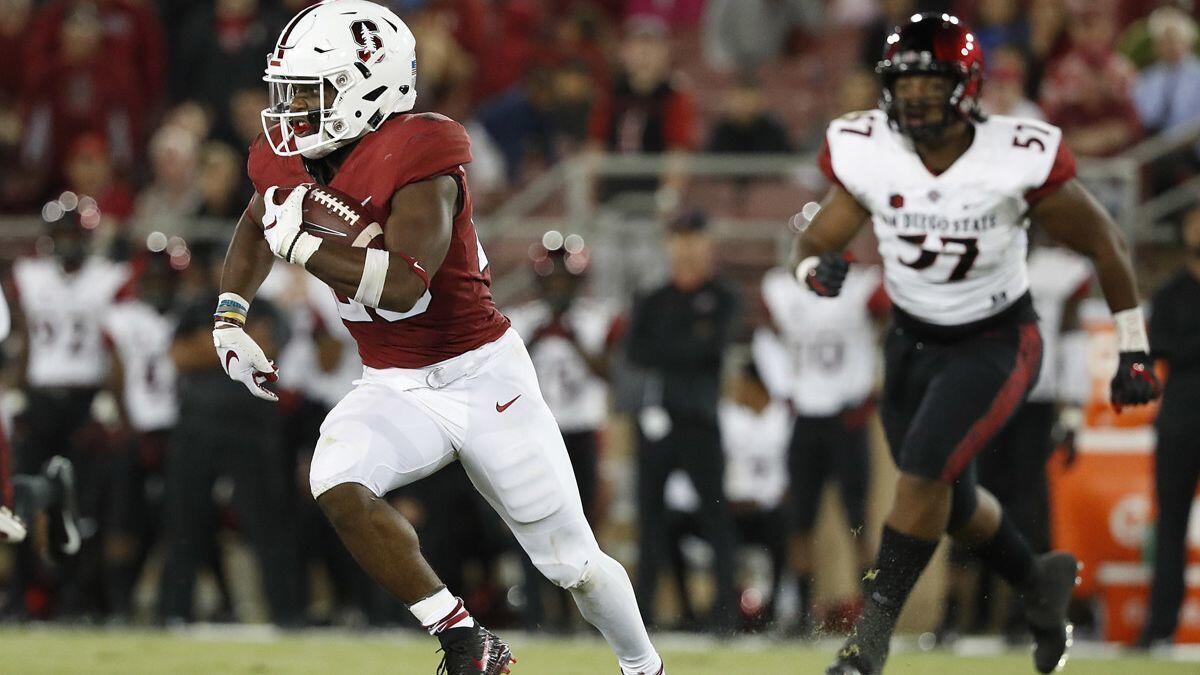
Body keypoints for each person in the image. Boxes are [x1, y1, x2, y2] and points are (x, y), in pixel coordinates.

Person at [212, 4, 663, 674]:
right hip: (394, 381)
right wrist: (230, 315)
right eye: (292, 91)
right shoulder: (295, 154)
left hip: (482, 377)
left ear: (368, 84)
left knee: (574, 565)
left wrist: (304, 244)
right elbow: (259, 219)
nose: (294, 110)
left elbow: (404, 287)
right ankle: (464, 637)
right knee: (335, 480)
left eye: (313, 91)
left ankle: (645, 668)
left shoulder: (423, 151)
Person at [796, 14, 1160, 675]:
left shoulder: (1012, 155)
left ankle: (868, 644)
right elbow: (817, 238)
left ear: (967, 86)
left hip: (995, 339)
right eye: (904, 85)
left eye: (930, 84)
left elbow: (1105, 241)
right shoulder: (869, 148)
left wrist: (1133, 347)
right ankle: (1037, 578)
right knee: (951, 499)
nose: (915, 98)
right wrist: (814, 268)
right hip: (909, 342)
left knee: (922, 476)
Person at [626, 211, 741, 632]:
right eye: (679, 238)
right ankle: (644, 617)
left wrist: (675, 346)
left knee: (715, 517)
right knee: (649, 519)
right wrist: (690, 341)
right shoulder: (654, 298)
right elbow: (636, 351)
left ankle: (725, 615)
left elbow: (713, 347)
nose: (687, 247)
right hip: (658, 421)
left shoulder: (723, 296)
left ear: (707, 244)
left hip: (700, 419)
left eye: (694, 238)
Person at [760, 259, 887, 636]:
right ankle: (800, 611)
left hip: (847, 419)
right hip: (806, 418)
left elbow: (889, 322)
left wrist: (871, 382)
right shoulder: (783, 289)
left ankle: (872, 611)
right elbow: (764, 337)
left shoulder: (862, 286)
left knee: (858, 521)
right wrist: (784, 389)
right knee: (800, 521)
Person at [507, 233, 622, 632]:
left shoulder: (597, 318)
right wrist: (537, 340)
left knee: (584, 530)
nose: (557, 286)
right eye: (551, 279)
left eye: (564, 280)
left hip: (581, 432)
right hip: (535, 435)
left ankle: (584, 621)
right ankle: (538, 616)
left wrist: (574, 341)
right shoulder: (521, 322)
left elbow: (613, 374)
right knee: (531, 525)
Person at [99, 245, 184, 620]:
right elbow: (115, 377)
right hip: (141, 430)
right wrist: (125, 424)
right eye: (150, 278)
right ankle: (117, 601)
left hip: (180, 433)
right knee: (123, 520)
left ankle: (172, 603)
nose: (156, 284)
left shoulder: (192, 315)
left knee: (184, 522)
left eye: (161, 277)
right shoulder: (125, 317)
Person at [1141, 207, 1200, 646]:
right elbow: (1160, 345)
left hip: (1182, 407)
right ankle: (1160, 628)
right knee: (1170, 523)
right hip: (1180, 418)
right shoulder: (1172, 292)